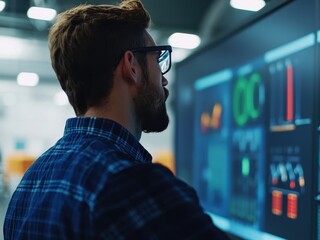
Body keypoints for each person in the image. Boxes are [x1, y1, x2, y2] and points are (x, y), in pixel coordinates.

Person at [3, 0, 230, 239]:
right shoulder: (129, 184)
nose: (164, 80)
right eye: (157, 61)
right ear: (131, 66)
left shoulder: (32, 180)